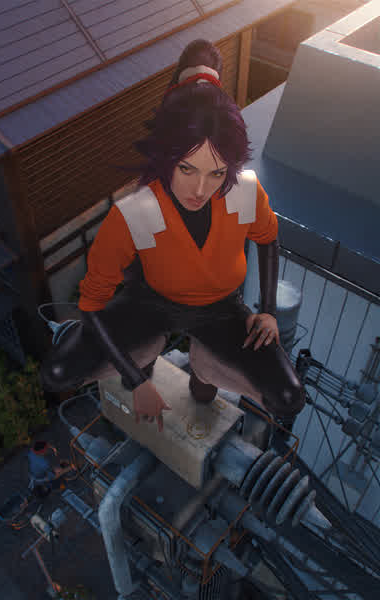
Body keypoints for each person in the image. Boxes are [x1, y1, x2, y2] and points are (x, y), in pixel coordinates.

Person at [41, 39, 305, 434]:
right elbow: (92, 306)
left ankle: (205, 368)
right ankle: (148, 353)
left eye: (216, 172)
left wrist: (267, 308)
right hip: (150, 302)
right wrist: (137, 381)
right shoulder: (135, 212)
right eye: (186, 168)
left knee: (288, 396)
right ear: (166, 158)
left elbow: (268, 238)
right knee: (58, 372)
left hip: (221, 308)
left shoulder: (245, 191)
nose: (200, 189)